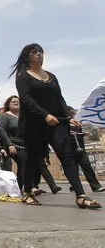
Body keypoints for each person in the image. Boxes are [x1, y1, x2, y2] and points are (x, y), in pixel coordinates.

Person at [13, 43, 100, 209]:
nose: (39, 54)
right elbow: (26, 99)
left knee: (67, 156)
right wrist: (45, 115)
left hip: (57, 122)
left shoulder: (51, 76)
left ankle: (80, 195)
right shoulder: (23, 75)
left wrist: (68, 117)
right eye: (34, 52)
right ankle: (27, 192)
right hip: (34, 124)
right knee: (33, 158)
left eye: (41, 52)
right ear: (27, 56)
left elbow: (60, 99)